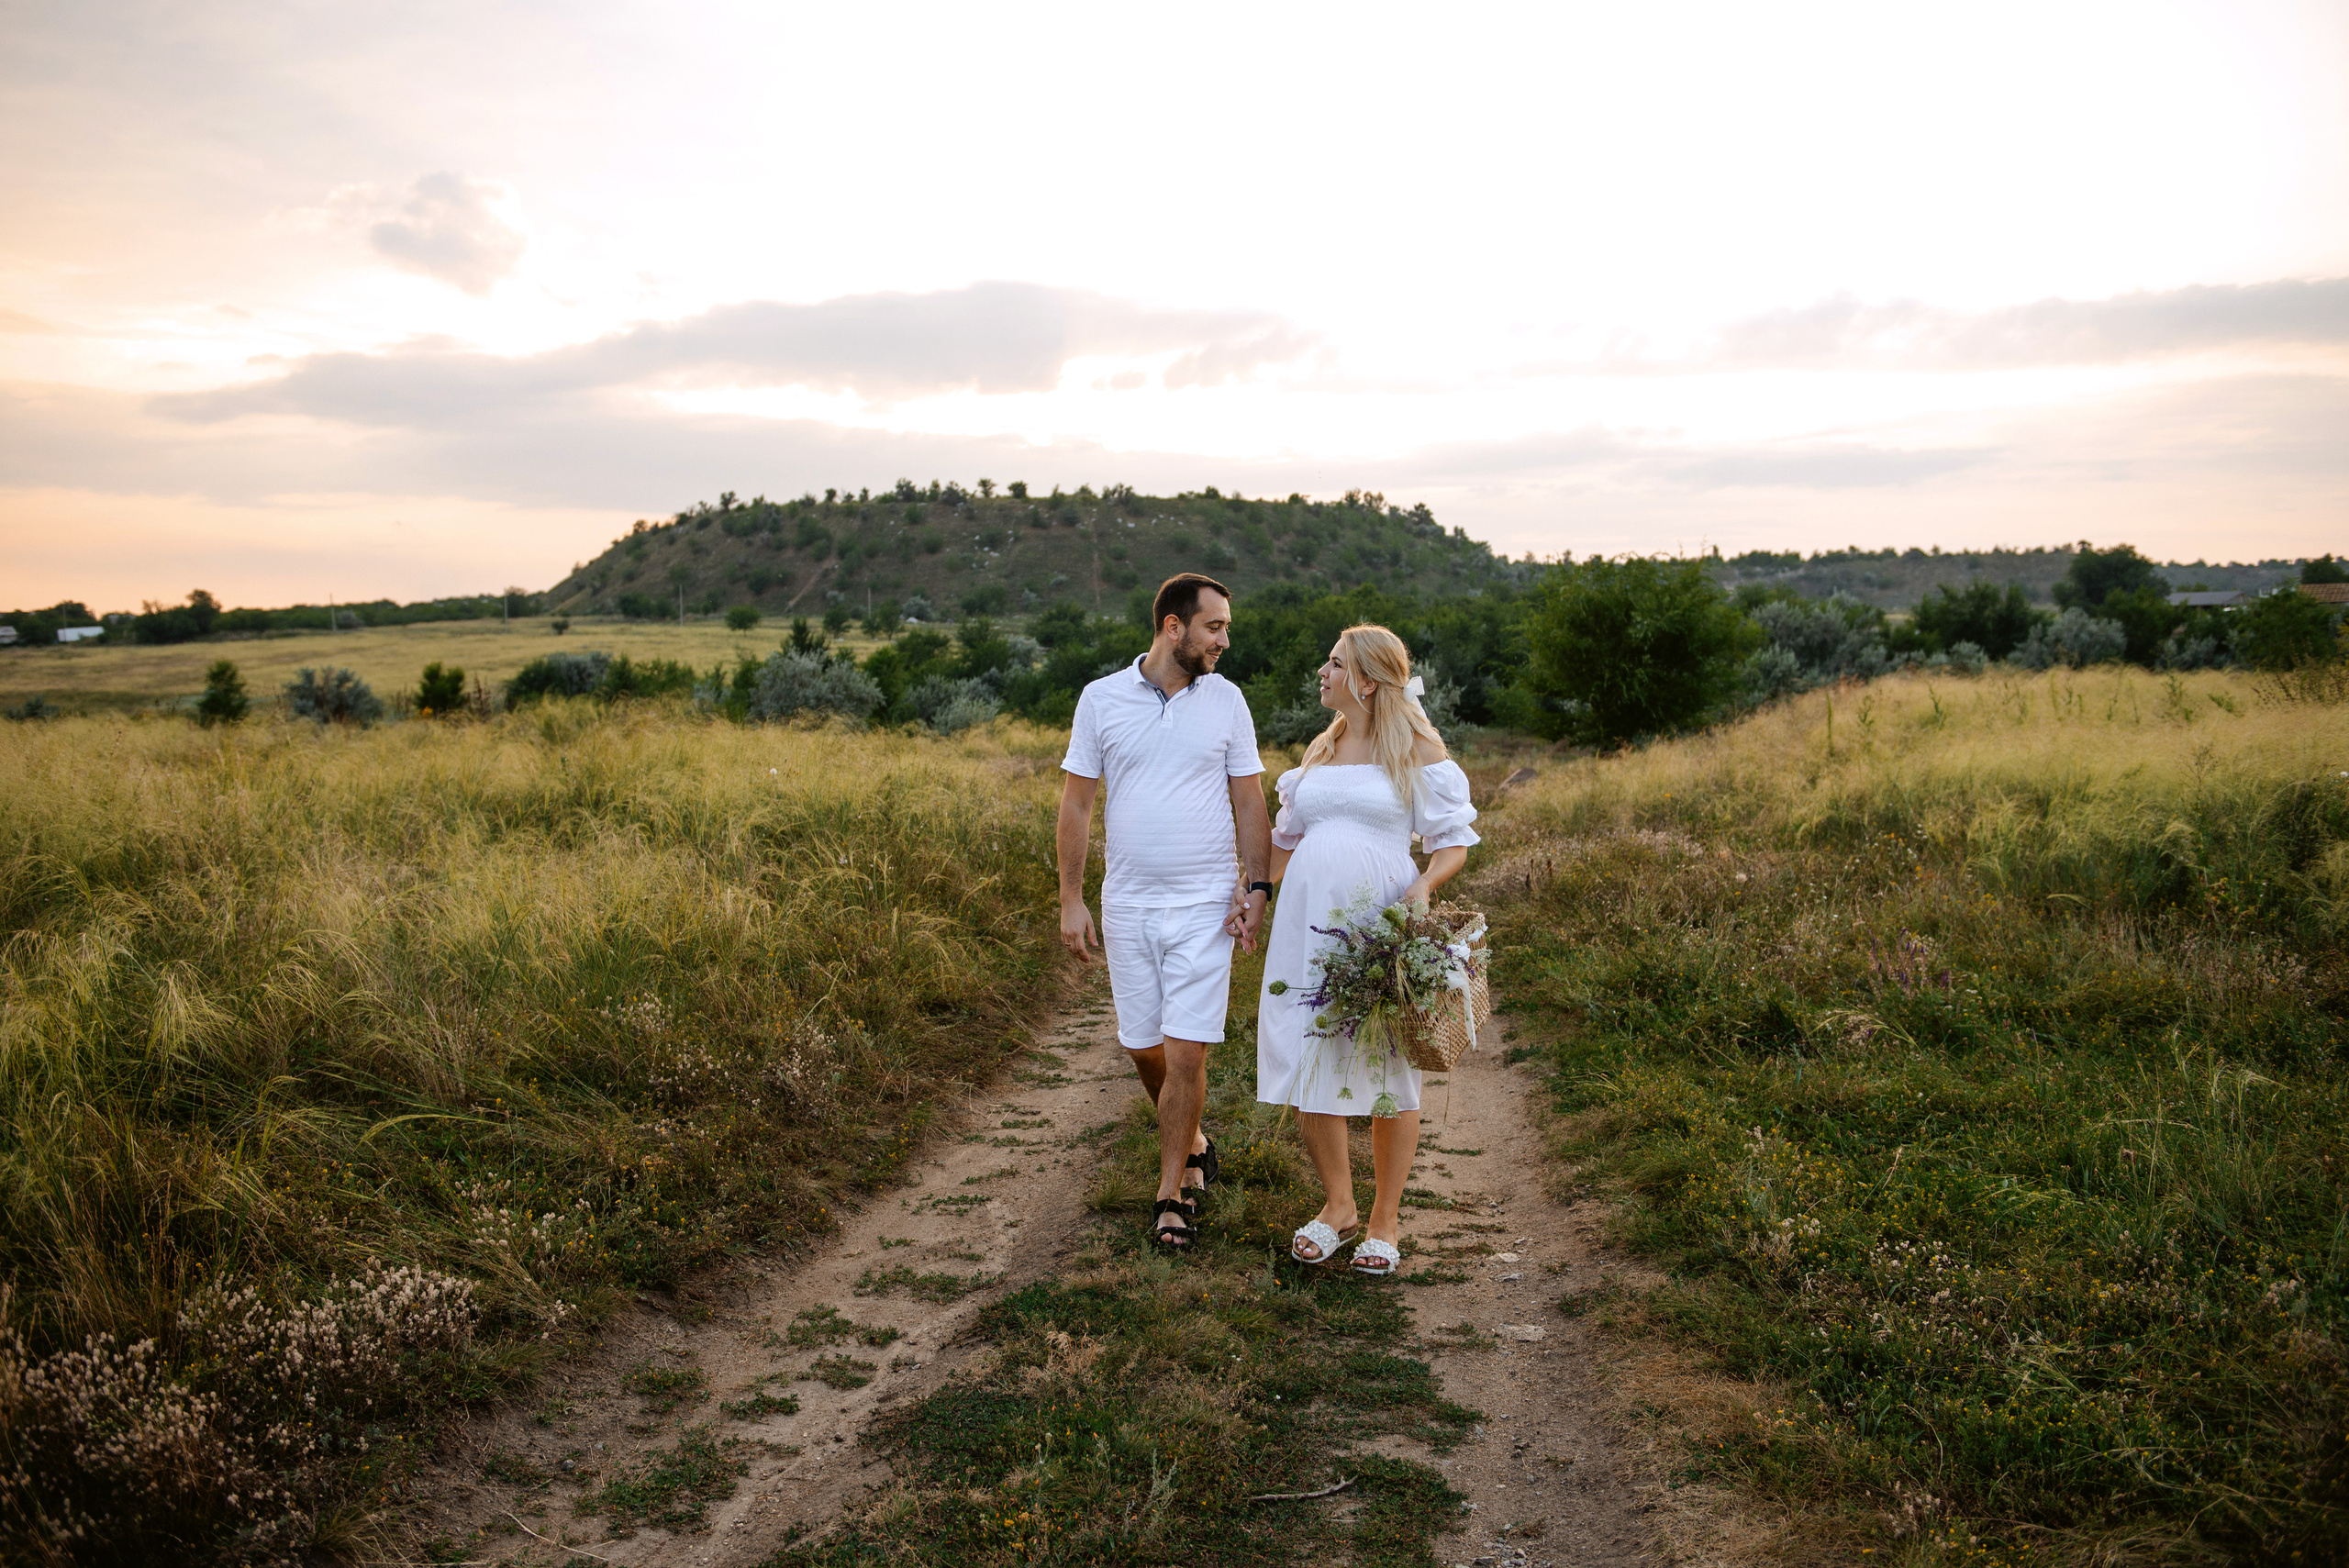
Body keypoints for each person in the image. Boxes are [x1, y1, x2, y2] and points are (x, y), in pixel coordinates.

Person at [1057, 573, 1274, 1253]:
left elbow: (1248, 802)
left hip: (1205, 905)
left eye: (1226, 628)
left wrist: (1257, 889)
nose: (1225, 641)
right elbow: (1077, 804)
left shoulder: (1228, 702)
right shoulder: (1100, 700)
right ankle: (1198, 1140)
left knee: (1186, 1050)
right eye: (1215, 627)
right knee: (1140, 1041)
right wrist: (1071, 896)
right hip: (1127, 903)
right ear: (1174, 627)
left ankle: (1170, 1195)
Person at [1258, 624, 1479, 1277]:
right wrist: (1259, 897)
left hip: (1376, 922)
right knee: (1311, 1054)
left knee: (1387, 1064)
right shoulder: (1322, 747)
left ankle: (1385, 1219)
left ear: (1367, 679)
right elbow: (1287, 835)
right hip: (1307, 925)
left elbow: (1454, 839)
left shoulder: (1413, 744)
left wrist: (1422, 885)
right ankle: (1337, 1206)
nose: (1321, 673)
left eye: (1333, 663)